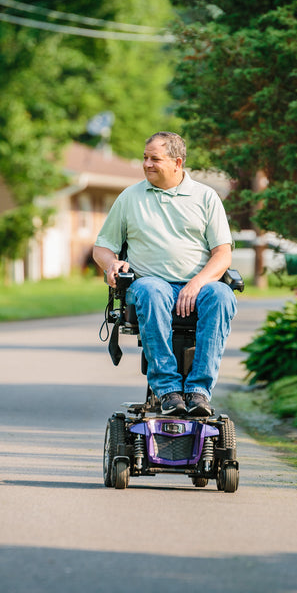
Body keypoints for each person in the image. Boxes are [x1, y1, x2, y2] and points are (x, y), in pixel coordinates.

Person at [93, 131, 237, 417]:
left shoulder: (206, 197)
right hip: (151, 283)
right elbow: (102, 248)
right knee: (150, 290)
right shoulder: (130, 198)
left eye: (155, 159)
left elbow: (222, 254)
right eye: (145, 158)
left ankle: (199, 392)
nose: (147, 164)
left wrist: (196, 284)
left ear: (177, 162)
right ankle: (168, 390)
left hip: (199, 285)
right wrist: (112, 264)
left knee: (222, 295)